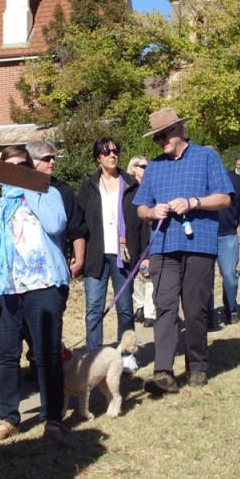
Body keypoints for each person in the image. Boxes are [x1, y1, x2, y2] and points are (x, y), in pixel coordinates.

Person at [134, 108, 232, 393]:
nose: (160, 142)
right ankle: (163, 371)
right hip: (163, 246)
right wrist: (152, 211)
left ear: (179, 130)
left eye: (163, 135)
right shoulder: (154, 166)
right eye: (156, 138)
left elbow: (225, 197)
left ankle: (197, 365)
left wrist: (194, 202)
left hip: (198, 244)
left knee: (195, 308)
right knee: (164, 307)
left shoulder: (206, 157)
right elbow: (140, 206)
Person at [0, 146, 69, 441]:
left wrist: (30, 189)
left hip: (44, 286)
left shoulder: (47, 193)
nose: (16, 171)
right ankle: (8, 418)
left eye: (22, 166)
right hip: (6, 289)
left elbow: (56, 225)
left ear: (30, 167)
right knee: (5, 356)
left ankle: (52, 417)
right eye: (10, 167)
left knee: (47, 354)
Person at [77, 137, 144, 362]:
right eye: (106, 152)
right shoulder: (88, 186)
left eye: (116, 151)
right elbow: (78, 223)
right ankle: (93, 359)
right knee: (94, 311)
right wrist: (77, 256)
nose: (112, 155)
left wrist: (145, 256)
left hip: (123, 255)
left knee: (125, 309)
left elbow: (142, 223)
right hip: (95, 256)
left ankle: (126, 355)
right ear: (98, 157)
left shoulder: (131, 184)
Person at [26, 140, 86, 278]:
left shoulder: (63, 190)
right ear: (32, 161)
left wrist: (79, 259)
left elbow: (76, 228)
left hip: (54, 267)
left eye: (53, 158)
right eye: (46, 158)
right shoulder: (18, 191)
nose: (52, 162)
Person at [217, 155, 240, 323]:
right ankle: (208, 314)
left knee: (230, 275)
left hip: (227, 235)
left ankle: (231, 310)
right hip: (203, 237)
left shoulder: (232, 181)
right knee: (204, 278)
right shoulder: (198, 182)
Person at [126, 155, 156, 328]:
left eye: (147, 165)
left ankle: (150, 313)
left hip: (149, 233)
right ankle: (140, 305)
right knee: (133, 276)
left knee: (148, 273)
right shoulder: (126, 188)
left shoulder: (151, 185)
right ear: (134, 168)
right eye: (143, 166)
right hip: (131, 237)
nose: (147, 169)